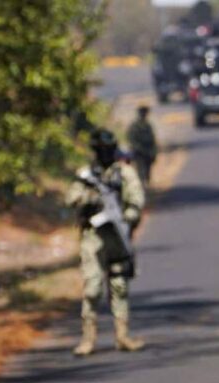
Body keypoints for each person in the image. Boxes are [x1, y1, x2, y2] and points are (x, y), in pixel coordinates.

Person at [66, 129, 146, 356]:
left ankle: (122, 336)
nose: (105, 154)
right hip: (93, 237)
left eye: (108, 150)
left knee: (119, 286)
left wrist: (126, 219)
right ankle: (88, 339)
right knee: (92, 288)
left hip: (117, 236)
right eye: (101, 150)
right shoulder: (86, 175)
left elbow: (137, 201)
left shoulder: (125, 173)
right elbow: (70, 197)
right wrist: (90, 198)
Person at [126, 105, 158, 188]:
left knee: (148, 169)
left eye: (145, 112)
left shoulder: (148, 125)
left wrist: (154, 151)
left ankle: (146, 184)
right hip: (139, 152)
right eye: (142, 112)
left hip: (148, 151)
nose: (143, 114)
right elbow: (131, 138)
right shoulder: (134, 125)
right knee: (140, 169)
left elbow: (152, 139)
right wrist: (137, 148)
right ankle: (142, 185)